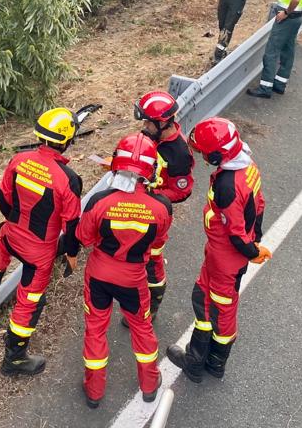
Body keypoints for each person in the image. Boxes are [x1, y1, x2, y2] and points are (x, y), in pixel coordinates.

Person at [0, 107, 83, 376]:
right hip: (39, 252)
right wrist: (71, 253)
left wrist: (15, 220)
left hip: (11, 235)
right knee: (30, 302)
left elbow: (3, 197)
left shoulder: (18, 160)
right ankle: (14, 359)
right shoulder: (68, 180)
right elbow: (71, 225)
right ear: (67, 141)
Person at [166, 118, 269, 383]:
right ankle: (215, 364)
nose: (202, 157)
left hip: (224, 256)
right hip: (228, 256)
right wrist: (255, 240)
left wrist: (250, 250)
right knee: (223, 308)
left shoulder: (227, 186)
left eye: (203, 153)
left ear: (217, 153)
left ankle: (194, 363)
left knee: (207, 305)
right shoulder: (248, 166)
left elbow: (234, 233)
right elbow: (259, 204)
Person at [78, 132, 173, 408]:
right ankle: (149, 383)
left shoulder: (100, 201)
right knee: (142, 328)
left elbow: (84, 238)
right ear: (151, 170)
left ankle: (94, 390)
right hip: (133, 279)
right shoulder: (161, 207)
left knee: (95, 329)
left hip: (98, 275)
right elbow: (157, 241)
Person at [126, 91, 193, 324]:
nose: (144, 126)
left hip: (155, 212)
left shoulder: (179, 154)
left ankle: (152, 304)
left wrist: (154, 196)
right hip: (138, 203)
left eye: (147, 121)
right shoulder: (152, 136)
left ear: (163, 122)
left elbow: (182, 190)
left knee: (152, 260)